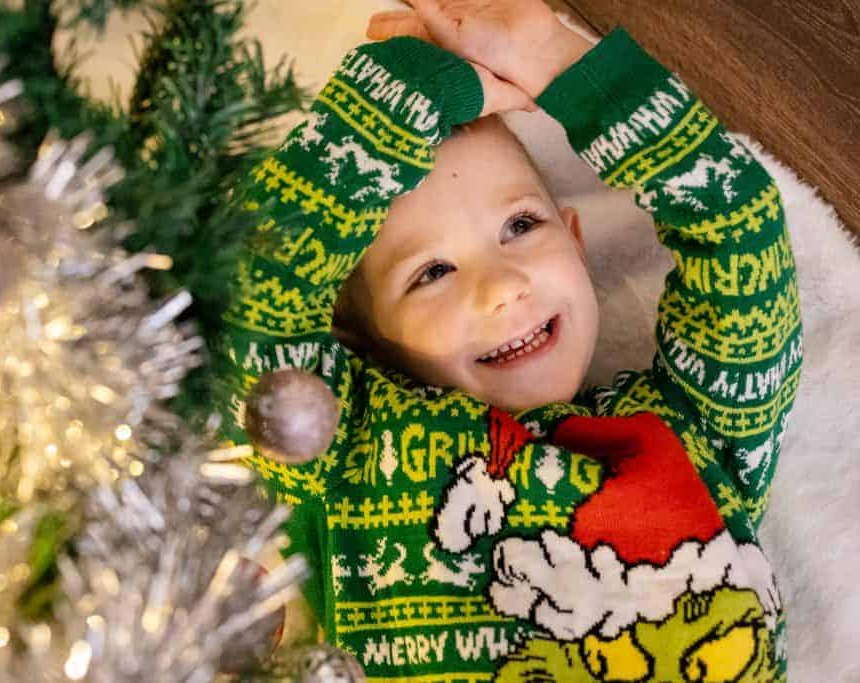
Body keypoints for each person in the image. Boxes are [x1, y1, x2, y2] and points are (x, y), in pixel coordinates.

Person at [216, 0, 802, 679]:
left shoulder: (691, 423)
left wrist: (553, 59)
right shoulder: (345, 449)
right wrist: (408, 91)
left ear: (577, 245)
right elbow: (251, 301)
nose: (501, 286)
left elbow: (739, 229)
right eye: (431, 273)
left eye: (522, 226)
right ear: (368, 342)